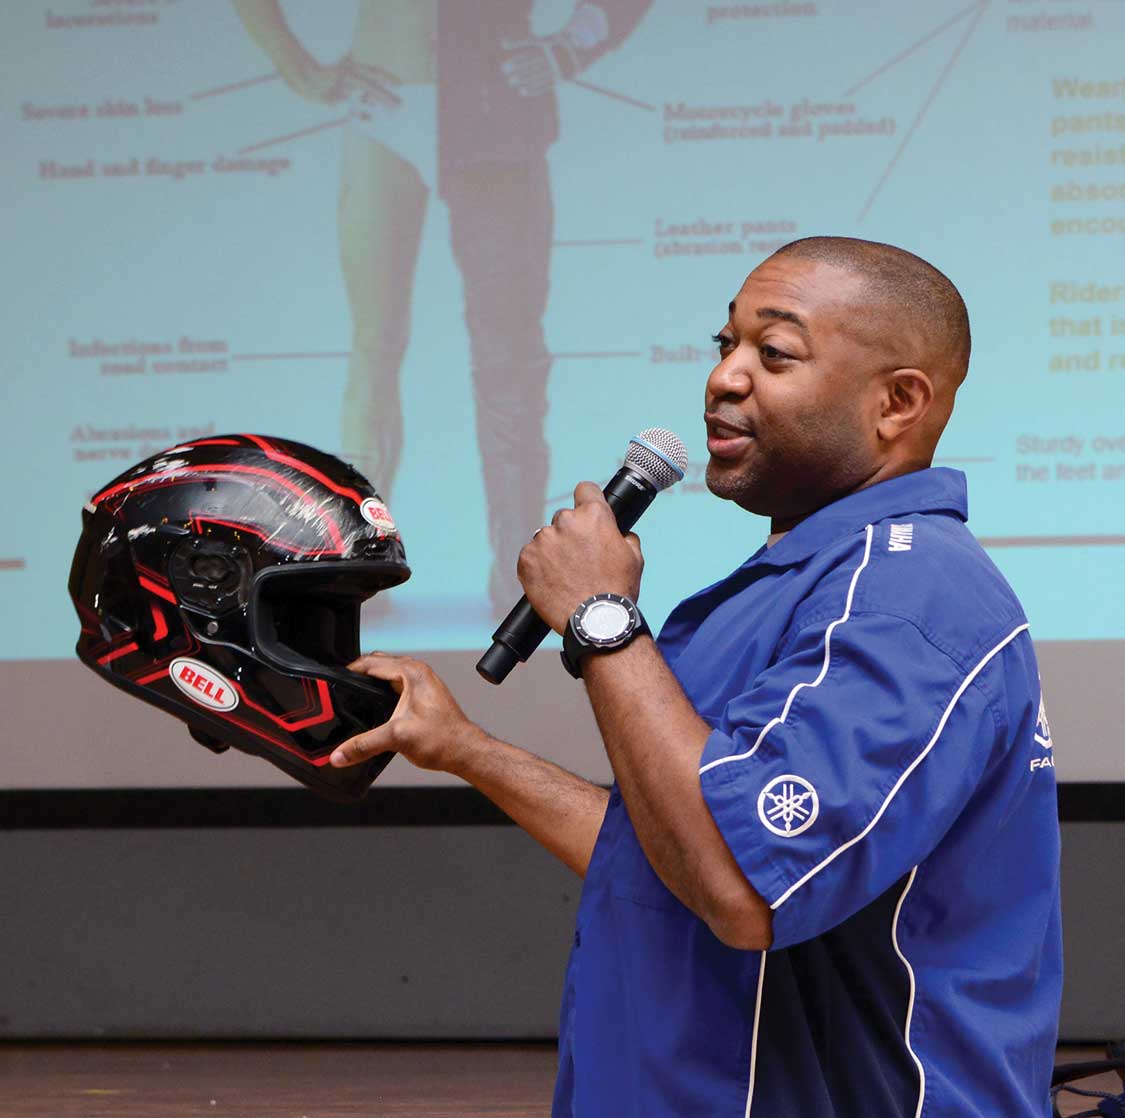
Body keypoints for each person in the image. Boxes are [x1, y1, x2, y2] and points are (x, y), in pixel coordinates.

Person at [330, 236, 1063, 1117]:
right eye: (726, 346)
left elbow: (743, 890)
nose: (724, 377)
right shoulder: (800, 583)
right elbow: (671, 851)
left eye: (775, 353)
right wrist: (465, 749)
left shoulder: (907, 596)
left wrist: (602, 616)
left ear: (897, 402)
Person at [231, 0, 651, 614]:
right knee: (376, 349)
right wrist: (300, 68)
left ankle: (519, 575)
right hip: (388, 107)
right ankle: (354, 572)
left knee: (507, 360)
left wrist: (569, 47)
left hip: (492, 118)